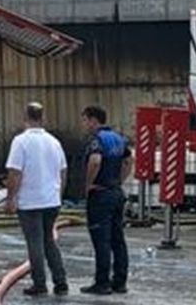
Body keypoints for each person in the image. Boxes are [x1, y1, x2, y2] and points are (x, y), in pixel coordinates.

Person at [5, 102, 69, 297]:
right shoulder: (54, 141)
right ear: (43, 118)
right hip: (51, 200)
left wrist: (10, 198)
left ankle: (39, 283)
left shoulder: (20, 141)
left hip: (30, 201)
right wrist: (58, 195)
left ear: (25, 117)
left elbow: (15, 173)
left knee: (34, 243)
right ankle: (61, 282)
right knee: (49, 240)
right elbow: (63, 171)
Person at [80, 105, 132, 296]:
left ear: (94, 120)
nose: (84, 124)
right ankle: (120, 281)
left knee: (101, 240)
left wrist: (88, 184)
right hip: (116, 193)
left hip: (100, 194)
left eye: (85, 120)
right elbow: (128, 160)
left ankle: (102, 283)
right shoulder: (119, 138)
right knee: (118, 239)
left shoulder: (97, 140)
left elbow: (95, 161)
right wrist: (120, 180)